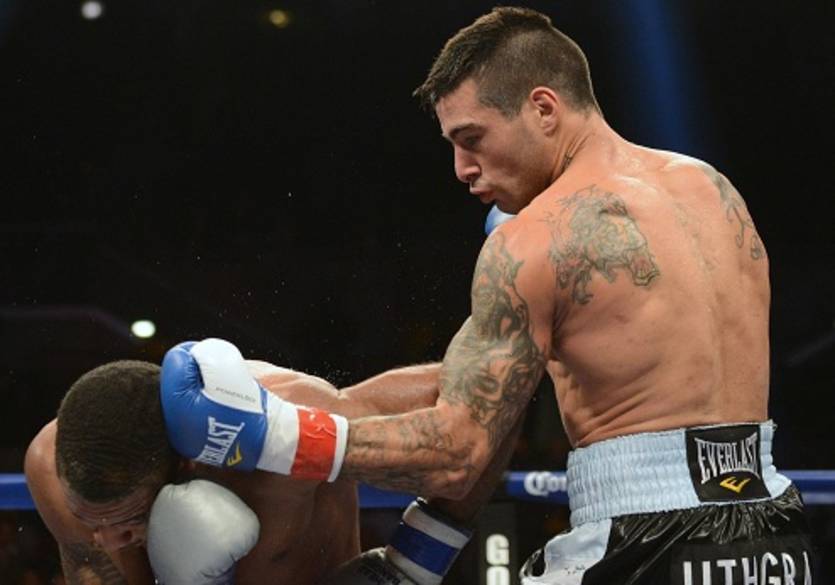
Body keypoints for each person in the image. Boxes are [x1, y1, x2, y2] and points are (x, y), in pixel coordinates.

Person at [162, 7, 817, 584]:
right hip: (774, 536)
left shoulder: (533, 240)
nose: (461, 169)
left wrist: (268, 435)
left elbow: (457, 451)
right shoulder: (710, 189)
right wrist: (416, 556)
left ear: (542, 108)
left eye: (471, 139)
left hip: (637, 539)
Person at [24, 346, 516, 584]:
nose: (108, 541)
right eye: (92, 522)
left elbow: (492, 395)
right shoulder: (52, 466)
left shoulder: (285, 429)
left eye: (131, 521)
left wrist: (413, 564)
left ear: (185, 465)